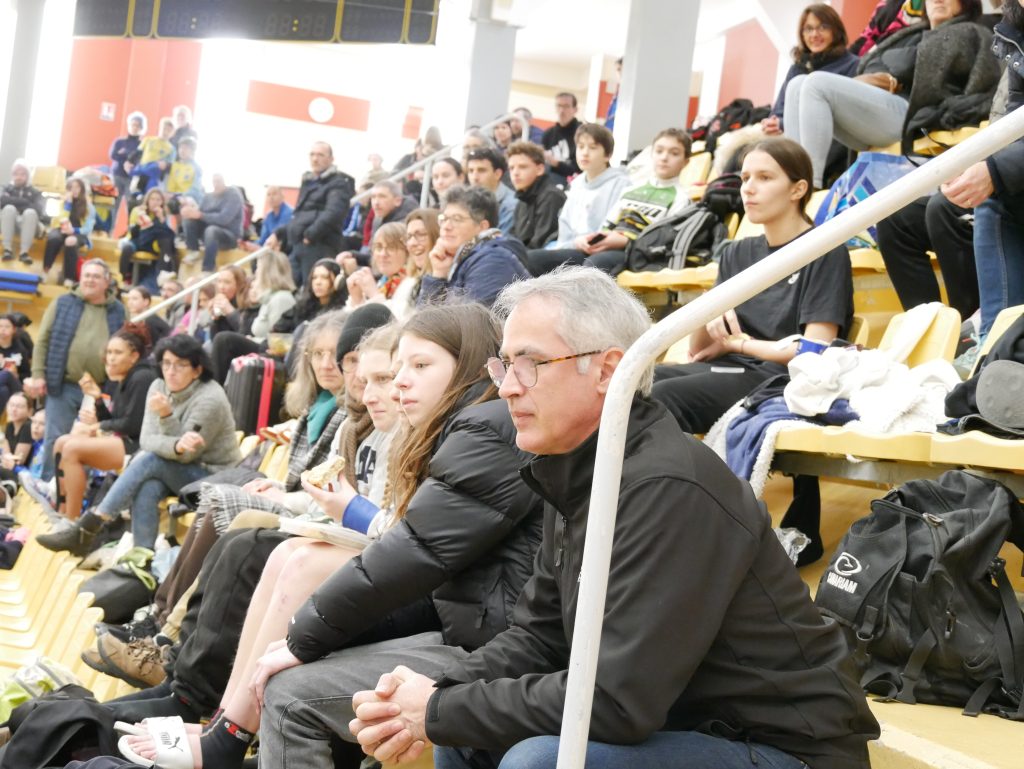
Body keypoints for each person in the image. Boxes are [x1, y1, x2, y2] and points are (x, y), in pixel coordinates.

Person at [165, 303, 542, 769]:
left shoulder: (486, 429)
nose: (399, 383)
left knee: (291, 678)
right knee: (272, 558)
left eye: (419, 366)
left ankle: (225, 732)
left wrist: (303, 638)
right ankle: (221, 721)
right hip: (471, 625)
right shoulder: (456, 428)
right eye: (395, 370)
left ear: (468, 366)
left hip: (491, 645)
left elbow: (416, 549)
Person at [116, 321, 404, 764]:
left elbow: (402, 530)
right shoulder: (340, 418)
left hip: (405, 580)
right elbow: (150, 439)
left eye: (384, 377)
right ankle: (214, 710)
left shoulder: (400, 430)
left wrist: (340, 507)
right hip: (355, 537)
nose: (365, 390)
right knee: (248, 530)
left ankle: (207, 707)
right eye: (359, 373)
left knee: (260, 544)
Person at [652, 138, 852, 434]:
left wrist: (739, 344)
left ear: (798, 189)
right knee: (638, 383)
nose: (748, 188)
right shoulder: (736, 252)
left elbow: (814, 350)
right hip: (729, 366)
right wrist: (706, 313)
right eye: (745, 178)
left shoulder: (824, 250)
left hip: (779, 377)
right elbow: (699, 350)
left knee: (661, 396)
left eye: (764, 178)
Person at [37, 334, 241, 555]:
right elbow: (147, 439)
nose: (171, 371)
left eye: (180, 365)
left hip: (214, 478)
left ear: (197, 370)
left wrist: (166, 417)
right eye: (166, 363)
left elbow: (186, 455)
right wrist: (175, 445)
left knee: (151, 460)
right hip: (177, 470)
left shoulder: (210, 399)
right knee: (148, 484)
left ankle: (90, 525)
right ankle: (141, 557)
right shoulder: (158, 386)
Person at [784, 0, 999, 187]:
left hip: (914, 116)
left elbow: (980, 87)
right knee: (797, 85)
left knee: (816, 83)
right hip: (882, 114)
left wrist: (892, 80)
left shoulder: (969, 32)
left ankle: (808, 185)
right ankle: (791, 180)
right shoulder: (912, 35)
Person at [942, 0, 1024, 363]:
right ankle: (992, 343)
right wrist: (979, 165)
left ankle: (995, 348)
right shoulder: (1015, 29)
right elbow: (1012, 124)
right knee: (930, 212)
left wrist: (994, 169)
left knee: (994, 191)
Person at [530, 127, 691, 275]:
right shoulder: (631, 190)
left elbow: (664, 241)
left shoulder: (681, 198)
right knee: (532, 259)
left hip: (632, 252)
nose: (664, 158)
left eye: (674, 153)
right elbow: (607, 225)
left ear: (685, 161)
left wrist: (625, 241)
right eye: (659, 151)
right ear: (652, 154)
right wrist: (595, 240)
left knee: (594, 265)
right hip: (602, 246)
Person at [43, 324, 158, 522]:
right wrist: (96, 398)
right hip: (126, 441)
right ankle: (61, 509)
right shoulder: (126, 377)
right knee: (62, 442)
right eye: (109, 352)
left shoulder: (143, 377)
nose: (111, 358)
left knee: (72, 449)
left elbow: (132, 425)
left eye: (117, 353)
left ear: (134, 356)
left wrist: (98, 427)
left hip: (141, 448)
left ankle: (71, 520)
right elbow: (113, 420)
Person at [25, 259, 125, 480]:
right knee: (55, 438)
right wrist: (38, 374)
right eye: (86, 275)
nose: (90, 280)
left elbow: (126, 347)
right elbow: (43, 340)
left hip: (99, 390)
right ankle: (49, 486)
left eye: (96, 276)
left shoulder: (119, 310)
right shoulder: (62, 302)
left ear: (107, 281)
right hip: (63, 384)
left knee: (89, 441)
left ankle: (79, 489)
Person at [529, 123, 629, 275]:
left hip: (600, 249)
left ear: (607, 155)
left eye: (593, 148)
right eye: (581, 147)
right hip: (575, 247)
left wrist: (589, 241)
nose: (585, 153)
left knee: (536, 260)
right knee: (527, 258)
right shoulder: (576, 184)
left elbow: (612, 226)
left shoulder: (621, 184)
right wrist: (574, 243)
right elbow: (565, 225)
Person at [418, 185, 530, 308]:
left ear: (482, 227)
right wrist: (439, 273)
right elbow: (426, 318)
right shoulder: (466, 259)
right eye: (444, 219)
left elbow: (473, 320)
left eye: (457, 219)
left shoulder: (492, 261)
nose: (446, 226)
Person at [265, 142, 355, 286]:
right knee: (288, 287)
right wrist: (278, 233)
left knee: (312, 290)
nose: (315, 159)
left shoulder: (339, 183)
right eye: (312, 154)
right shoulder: (308, 182)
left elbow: (334, 213)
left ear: (331, 159)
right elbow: (298, 216)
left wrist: (310, 235)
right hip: (299, 245)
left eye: (320, 155)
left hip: (320, 245)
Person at [761, 4, 859, 137]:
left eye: (823, 27)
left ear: (836, 30)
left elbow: (840, 117)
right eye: (808, 29)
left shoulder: (852, 64)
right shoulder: (797, 68)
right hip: (792, 139)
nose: (814, 34)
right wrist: (773, 123)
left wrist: (783, 124)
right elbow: (779, 111)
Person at [209, 250, 296, 382]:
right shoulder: (268, 299)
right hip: (260, 347)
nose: (256, 273)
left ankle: (216, 387)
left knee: (224, 339)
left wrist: (231, 313)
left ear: (268, 272)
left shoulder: (281, 299)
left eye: (259, 269)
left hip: (270, 354)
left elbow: (276, 340)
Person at [338, 180, 418, 274]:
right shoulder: (379, 218)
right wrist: (352, 255)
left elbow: (387, 265)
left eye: (382, 196)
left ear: (397, 201)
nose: (376, 202)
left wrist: (355, 271)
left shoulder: (408, 224)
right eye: (373, 197)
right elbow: (374, 256)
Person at [347, 222, 416, 319]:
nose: (383, 254)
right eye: (379, 247)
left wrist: (374, 294)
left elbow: (397, 323)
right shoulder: (383, 282)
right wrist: (357, 299)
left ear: (407, 252)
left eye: (391, 247)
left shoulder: (413, 283)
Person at [507, 142, 566, 250]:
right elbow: (513, 239)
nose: (515, 173)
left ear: (539, 169)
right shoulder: (522, 200)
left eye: (522, 167)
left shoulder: (551, 196)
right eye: (511, 168)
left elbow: (540, 243)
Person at [180, 173, 244, 270]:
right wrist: (190, 212)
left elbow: (224, 219)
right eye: (214, 182)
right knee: (189, 220)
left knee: (211, 230)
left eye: (219, 181)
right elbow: (199, 214)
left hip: (229, 236)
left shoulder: (233, 195)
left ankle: (208, 268)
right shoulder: (208, 197)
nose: (216, 184)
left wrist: (200, 215)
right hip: (208, 235)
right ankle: (193, 251)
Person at [119, 187, 177, 290]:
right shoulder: (138, 211)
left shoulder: (163, 214)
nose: (155, 202)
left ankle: (162, 273)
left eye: (158, 200)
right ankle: (123, 277)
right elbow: (133, 233)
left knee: (166, 240)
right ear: (147, 200)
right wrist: (139, 224)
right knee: (127, 248)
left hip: (152, 244)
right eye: (152, 199)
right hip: (137, 240)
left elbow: (169, 235)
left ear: (162, 202)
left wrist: (161, 220)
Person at [43, 177, 96, 286]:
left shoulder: (89, 207)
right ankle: (45, 271)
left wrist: (73, 230)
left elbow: (88, 228)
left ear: (82, 189)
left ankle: (69, 278)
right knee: (53, 239)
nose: (74, 190)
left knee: (70, 241)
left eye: (77, 187)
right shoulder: (63, 203)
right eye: (71, 188)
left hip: (79, 232)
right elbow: (56, 222)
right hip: (61, 229)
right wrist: (68, 205)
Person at [465, 148, 518, 232]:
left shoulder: (511, 206)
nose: (474, 177)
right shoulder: (464, 201)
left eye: (481, 170)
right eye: (471, 171)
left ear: (497, 174)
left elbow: (500, 239)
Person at [109, 111, 147, 229]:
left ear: (141, 128)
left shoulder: (142, 144)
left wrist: (127, 158)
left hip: (132, 179)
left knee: (131, 206)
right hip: (117, 175)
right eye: (132, 124)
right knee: (113, 206)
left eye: (137, 125)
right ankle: (110, 232)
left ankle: (130, 232)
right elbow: (113, 155)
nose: (134, 127)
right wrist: (126, 160)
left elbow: (141, 160)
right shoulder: (119, 141)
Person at [541, 92, 582, 185]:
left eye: (566, 106)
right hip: (549, 181)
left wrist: (556, 163)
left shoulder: (583, 133)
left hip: (574, 183)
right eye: (559, 106)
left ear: (575, 109)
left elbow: (580, 169)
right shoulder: (548, 134)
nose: (562, 110)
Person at [130, 117, 176, 198]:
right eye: (164, 128)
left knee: (150, 196)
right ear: (159, 128)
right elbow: (136, 154)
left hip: (155, 175)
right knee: (134, 196)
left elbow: (170, 167)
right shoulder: (148, 140)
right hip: (141, 171)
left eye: (169, 130)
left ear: (172, 133)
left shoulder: (171, 149)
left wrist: (165, 165)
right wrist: (128, 162)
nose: (165, 132)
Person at [164, 136, 203, 215]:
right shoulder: (175, 166)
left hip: (190, 200)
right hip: (175, 198)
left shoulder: (196, 167)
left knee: (176, 204)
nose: (182, 150)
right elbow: (171, 187)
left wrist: (177, 195)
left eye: (185, 148)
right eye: (180, 147)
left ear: (192, 151)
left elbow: (195, 190)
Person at [0, 313, 31, 413]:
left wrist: (16, 374)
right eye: (0, 326)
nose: (3, 330)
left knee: (7, 374)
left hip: (16, 386)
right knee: (3, 391)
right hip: (4, 389)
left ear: (14, 329)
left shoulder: (20, 349)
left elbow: (27, 374)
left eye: (7, 327)